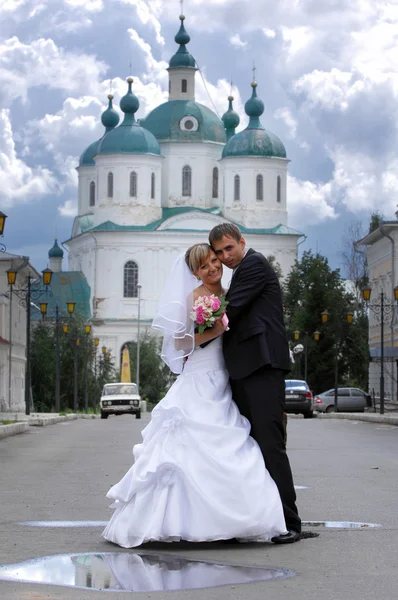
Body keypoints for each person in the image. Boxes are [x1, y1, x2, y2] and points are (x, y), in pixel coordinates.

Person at [102, 243, 287, 548]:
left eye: (215, 260)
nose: (213, 267)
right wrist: (214, 330)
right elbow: (179, 343)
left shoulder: (230, 293)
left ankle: (230, 521)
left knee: (230, 446)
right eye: (204, 266)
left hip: (225, 377)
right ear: (194, 272)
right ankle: (176, 522)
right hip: (201, 376)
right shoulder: (196, 297)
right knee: (187, 449)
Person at [209, 223, 301, 544]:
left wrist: (196, 329)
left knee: (270, 443)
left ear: (242, 242)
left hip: (262, 366)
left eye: (228, 249)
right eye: (218, 252)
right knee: (251, 446)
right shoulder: (241, 271)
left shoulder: (255, 264)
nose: (224, 257)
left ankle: (290, 522)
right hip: (246, 369)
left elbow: (230, 312)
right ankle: (263, 516)